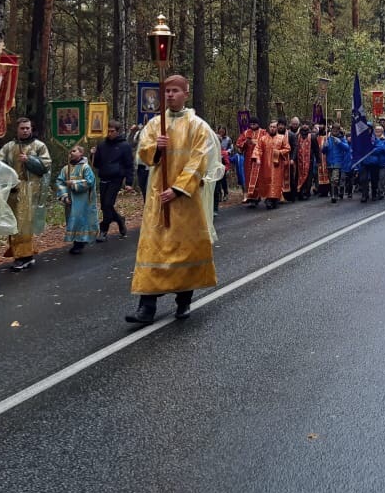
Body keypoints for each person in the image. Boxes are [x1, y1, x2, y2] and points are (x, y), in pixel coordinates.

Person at [125, 75, 222, 324]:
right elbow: (144, 156)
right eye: (167, 91)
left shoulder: (197, 125)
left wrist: (178, 189)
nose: (170, 95)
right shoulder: (155, 124)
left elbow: (200, 158)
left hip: (186, 200)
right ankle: (146, 307)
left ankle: (183, 301)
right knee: (154, 250)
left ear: (185, 94)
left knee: (184, 250)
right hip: (158, 197)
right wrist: (157, 148)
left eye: (175, 91)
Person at [0, 117, 51, 272]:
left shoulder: (39, 146)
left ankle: (24, 257)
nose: (25, 130)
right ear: (17, 129)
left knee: (24, 224)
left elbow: (45, 166)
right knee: (13, 223)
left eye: (28, 128)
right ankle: (20, 253)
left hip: (30, 190)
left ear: (31, 129)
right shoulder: (9, 146)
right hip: (12, 190)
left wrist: (30, 160)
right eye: (22, 128)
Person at [92, 120, 134, 240]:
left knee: (108, 204)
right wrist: (93, 155)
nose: (110, 133)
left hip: (116, 178)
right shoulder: (102, 145)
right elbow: (97, 164)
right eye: (108, 131)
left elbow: (129, 165)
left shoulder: (124, 145)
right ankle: (120, 220)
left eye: (112, 131)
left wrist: (129, 182)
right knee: (105, 206)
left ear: (117, 131)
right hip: (104, 177)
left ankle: (103, 230)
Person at [57, 144, 97, 253]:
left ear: (81, 153)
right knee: (72, 220)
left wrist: (74, 183)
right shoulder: (66, 169)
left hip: (82, 200)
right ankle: (77, 240)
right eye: (70, 151)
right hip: (70, 201)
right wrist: (64, 196)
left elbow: (90, 181)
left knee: (80, 220)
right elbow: (60, 183)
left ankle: (79, 243)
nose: (71, 153)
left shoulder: (85, 167)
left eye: (74, 151)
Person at [359, 124, 385, 202]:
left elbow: (380, 148)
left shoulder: (376, 139)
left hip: (374, 162)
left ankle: (374, 194)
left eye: (369, 129)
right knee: (364, 179)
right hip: (364, 162)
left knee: (374, 179)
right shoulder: (361, 139)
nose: (368, 131)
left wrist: (370, 151)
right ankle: (364, 195)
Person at [322, 123, 350, 202]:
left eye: (336, 131)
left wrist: (340, 143)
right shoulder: (328, 139)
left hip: (338, 162)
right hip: (329, 162)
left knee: (335, 179)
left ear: (338, 131)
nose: (334, 132)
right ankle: (336, 192)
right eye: (333, 130)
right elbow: (323, 151)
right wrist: (325, 147)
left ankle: (334, 196)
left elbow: (347, 148)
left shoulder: (342, 138)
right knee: (331, 180)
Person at [237, 118, 262, 204]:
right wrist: (245, 142)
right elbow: (239, 143)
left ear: (258, 124)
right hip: (248, 159)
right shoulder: (246, 132)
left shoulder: (263, 132)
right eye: (251, 124)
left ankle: (257, 196)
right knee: (248, 177)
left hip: (258, 158)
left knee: (257, 178)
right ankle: (250, 196)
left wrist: (253, 142)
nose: (252, 126)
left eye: (254, 124)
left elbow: (265, 143)